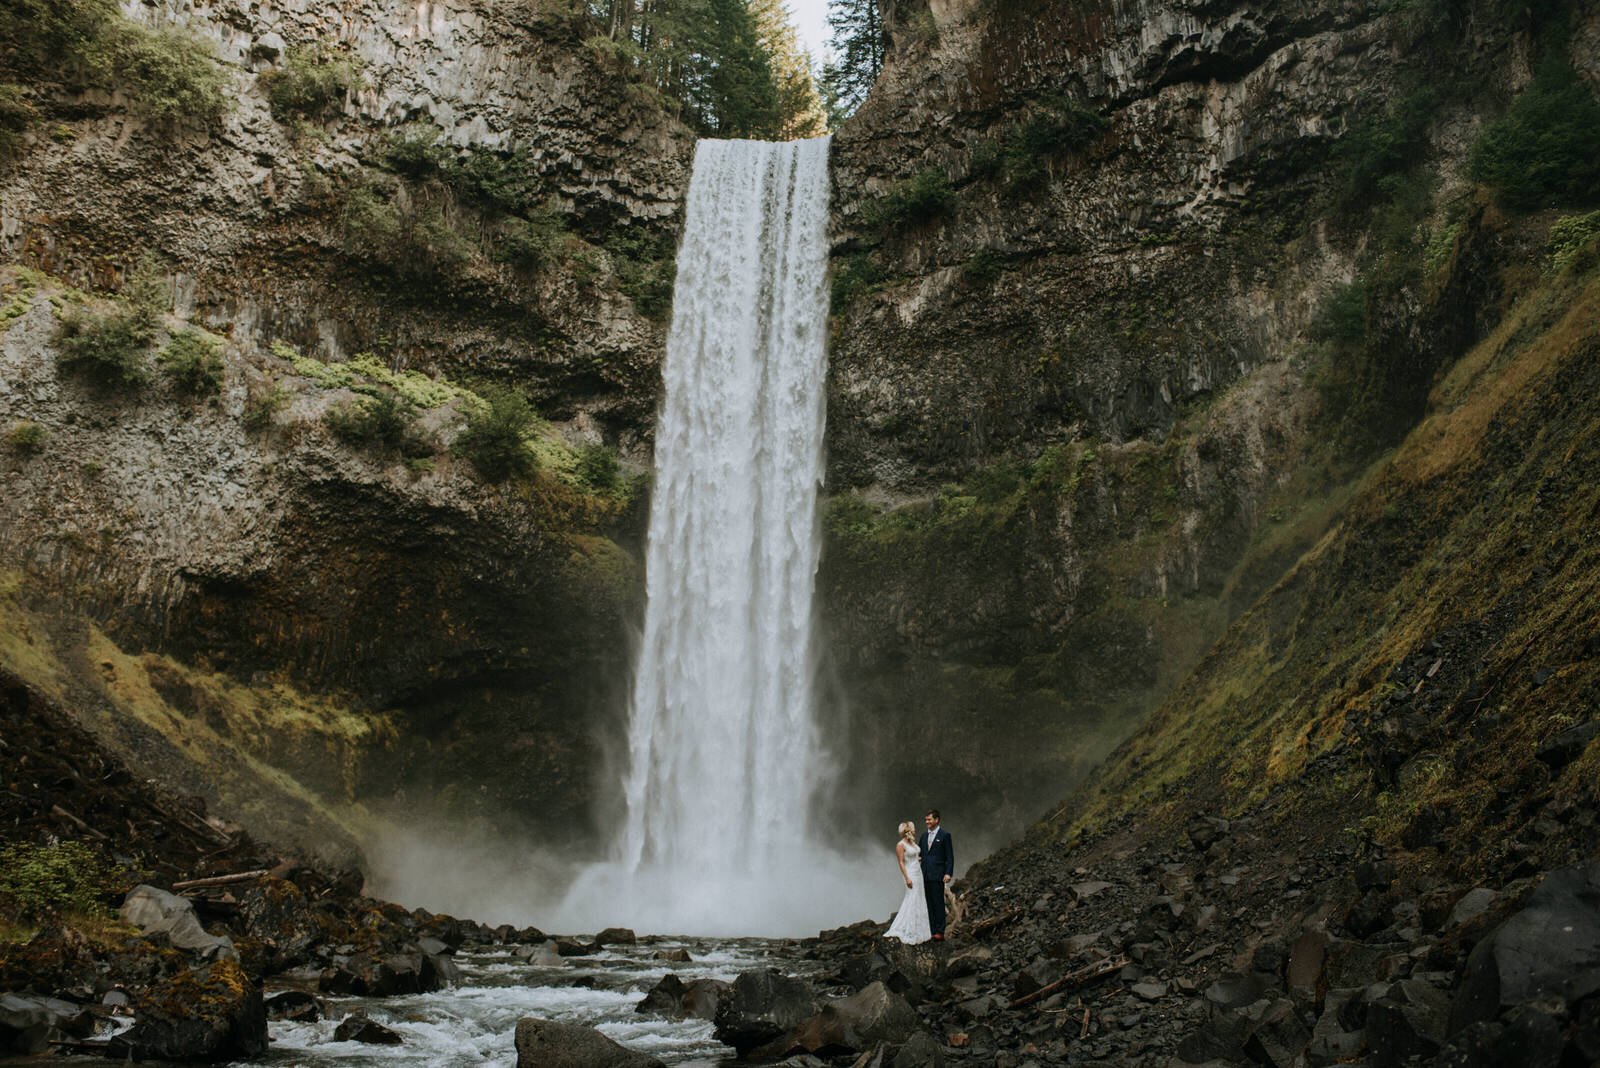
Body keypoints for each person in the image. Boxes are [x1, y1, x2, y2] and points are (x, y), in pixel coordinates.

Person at [883, 821, 931, 944]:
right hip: (910, 874)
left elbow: (915, 856)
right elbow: (901, 862)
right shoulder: (900, 845)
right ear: (908, 830)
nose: (915, 830)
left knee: (919, 898)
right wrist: (907, 878)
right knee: (912, 898)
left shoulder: (913, 843)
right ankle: (907, 928)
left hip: (918, 873)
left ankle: (919, 930)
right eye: (913, 828)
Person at [921, 809, 954, 941]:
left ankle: (940, 931)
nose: (927, 822)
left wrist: (948, 872)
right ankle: (931, 929)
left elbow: (950, 856)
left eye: (929, 819)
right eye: (926, 820)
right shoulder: (923, 836)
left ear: (937, 820)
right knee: (928, 903)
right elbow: (920, 853)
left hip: (938, 874)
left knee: (938, 903)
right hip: (925, 874)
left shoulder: (945, 835)